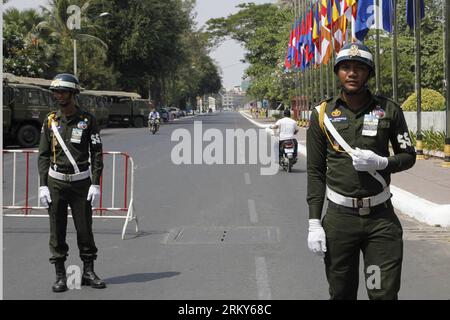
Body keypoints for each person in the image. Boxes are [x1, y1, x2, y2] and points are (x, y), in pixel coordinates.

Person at [306, 43, 416, 300]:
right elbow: (315, 172)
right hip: (339, 221)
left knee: (381, 292)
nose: (352, 73)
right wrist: (313, 222)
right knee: (342, 293)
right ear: (338, 72)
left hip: (380, 221)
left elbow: (409, 156)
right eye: (346, 67)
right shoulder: (322, 115)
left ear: (369, 73)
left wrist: (382, 163)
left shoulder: (388, 110)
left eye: (359, 68)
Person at [38, 73, 106, 292]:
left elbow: (96, 153)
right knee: (56, 231)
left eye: (63, 91)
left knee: (85, 229)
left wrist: (95, 183)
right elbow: (43, 155)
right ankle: (60, 276)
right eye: (56, 92)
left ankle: (88, 271)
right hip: (56, 182)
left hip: (81, 184)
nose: (58, 95)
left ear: (73, 93)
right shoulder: (50, 121)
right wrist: (42, 185)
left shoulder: (87, 120)